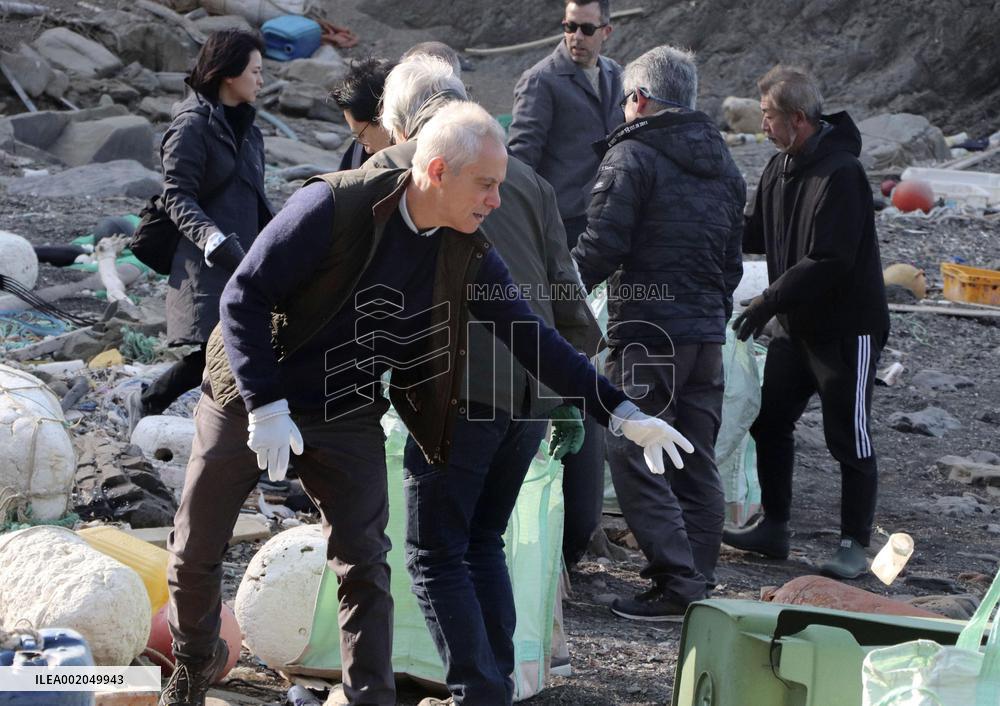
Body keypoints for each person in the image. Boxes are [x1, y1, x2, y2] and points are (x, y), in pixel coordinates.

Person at [160, 100, 692, 706]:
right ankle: (193, 664)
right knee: (195, 547)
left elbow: (529, 335)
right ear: (437, 171)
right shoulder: (333, 204)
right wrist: (265, 406)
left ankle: (371, 699)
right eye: (486, 185)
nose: (496, 199)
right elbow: (242, 298)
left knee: (364, 563)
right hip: (248, 388)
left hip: (344, 403)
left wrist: (621, 412)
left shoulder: (464, 248)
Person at [367, 54, 602, 704]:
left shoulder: (403, 166)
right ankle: (496, 684)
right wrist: (563, 398)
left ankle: (480, 692)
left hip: (456, 393)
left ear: (405, 122)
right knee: (480, 544)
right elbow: (571, 300)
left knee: (434, 554)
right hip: (527, 393)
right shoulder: (524, 177)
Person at [572, 46, 746, 620]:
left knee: (633, 447)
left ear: (639, 99)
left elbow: (601, 247)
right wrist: (710, 314)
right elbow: (731, 265)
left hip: (648, 333)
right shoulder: (726, 165)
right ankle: (696, 575)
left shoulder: (634, 157)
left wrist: (551, 300)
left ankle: (676, 582)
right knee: (693, 455)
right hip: (705, 336)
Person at [722, 65, 890, 580]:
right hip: (794, 327)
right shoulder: (778, 168)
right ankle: (774, 526)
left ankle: (853, 544)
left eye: (769, 117)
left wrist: (766, 300)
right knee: (770, 420)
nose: (763, 126)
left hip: (847, 329)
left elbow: (831, 259)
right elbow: (754, 234)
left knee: (850, 435)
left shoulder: (843, 174)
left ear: (797, 119)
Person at [508, 0, 624, 566]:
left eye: (585, 28)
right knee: (561, 361)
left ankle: (583, 525)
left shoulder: (617, 78)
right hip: (555, 238)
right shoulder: (541, 81)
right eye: (567, 27)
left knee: (589, 360)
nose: (574, 36)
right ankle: (563, 525)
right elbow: (521, 159)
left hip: (600, 230)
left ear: (606, 30)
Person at [126, 29, 272, 436]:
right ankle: (241, 445)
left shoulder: (250, 131)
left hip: (243, 257)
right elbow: (177, 197)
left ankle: (152, 399)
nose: (261, 81)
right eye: (255, 71)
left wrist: (282, 242)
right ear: (229, 74)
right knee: (222, 350)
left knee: (226, 350)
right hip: (204, 262)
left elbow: (257, 199)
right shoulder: (191, 127)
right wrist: (212, 239)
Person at [332, 57, 395, 170]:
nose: (368, 149)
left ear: (384, 117)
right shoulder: (358, 154)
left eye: (362, 135)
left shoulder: (429, 161)